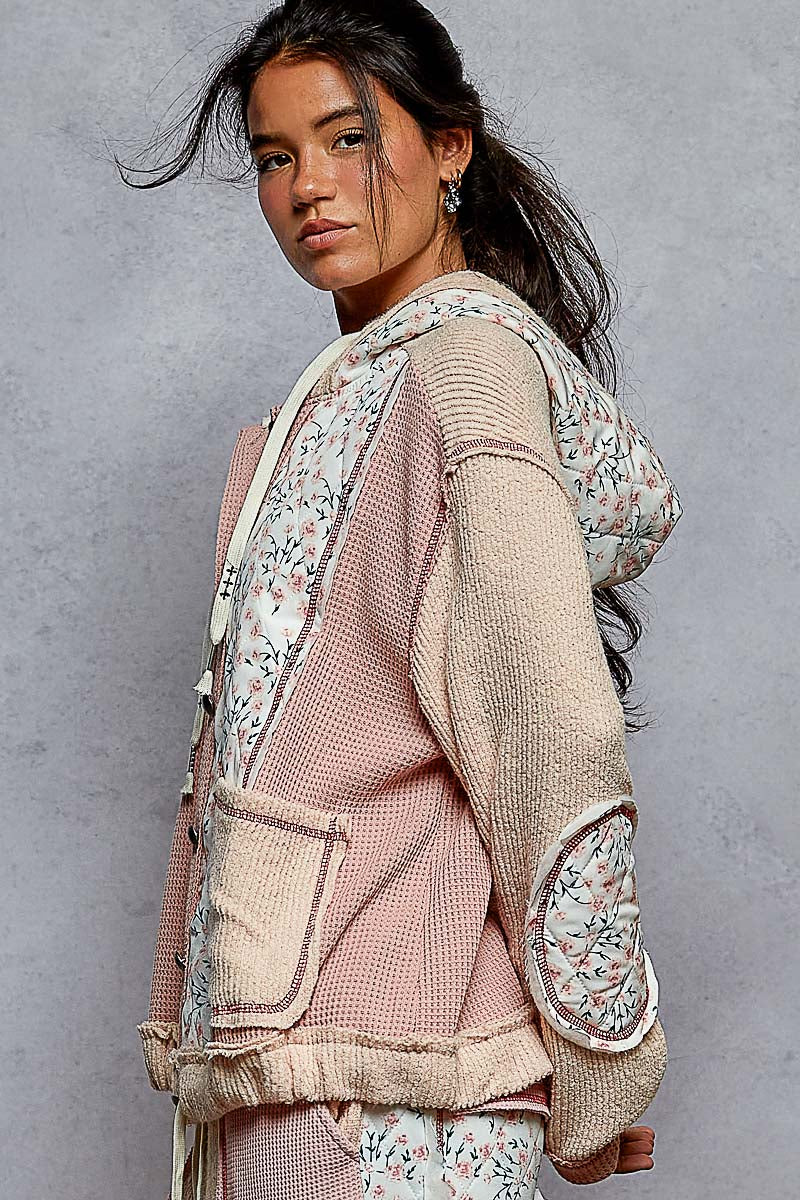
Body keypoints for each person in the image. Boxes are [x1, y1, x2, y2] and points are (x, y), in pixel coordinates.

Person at [118, 3, 682, 1197]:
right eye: (275, 157)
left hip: (395, 1089)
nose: (308, 188)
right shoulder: (344, 400)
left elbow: (549, 739)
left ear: (448, 148)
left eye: (346, 138)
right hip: (295, 1054)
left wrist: (599, 1070)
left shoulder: (462, 375)